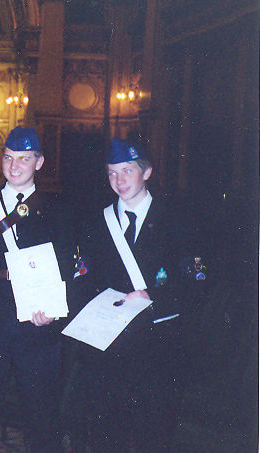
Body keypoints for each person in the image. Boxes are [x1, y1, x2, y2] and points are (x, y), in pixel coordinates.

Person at [69, 137, 203, 452]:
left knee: (154, 433)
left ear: (147, 172)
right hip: (108, 346)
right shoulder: (96, 221)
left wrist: (153, 297)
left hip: (159, 346)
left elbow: (195, 280)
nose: (119, 180)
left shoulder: (176, 220)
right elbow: (81, 276)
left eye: (127, 170)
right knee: (105, 432)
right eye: (113, 172)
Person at [0, 126, 76, 453]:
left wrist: (53, 311)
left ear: (38, 163)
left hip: (37, 323)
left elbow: (67, 264)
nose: (14, 166)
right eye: (9, 158)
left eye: (24, 159)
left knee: (42, 416)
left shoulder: (58, 211)